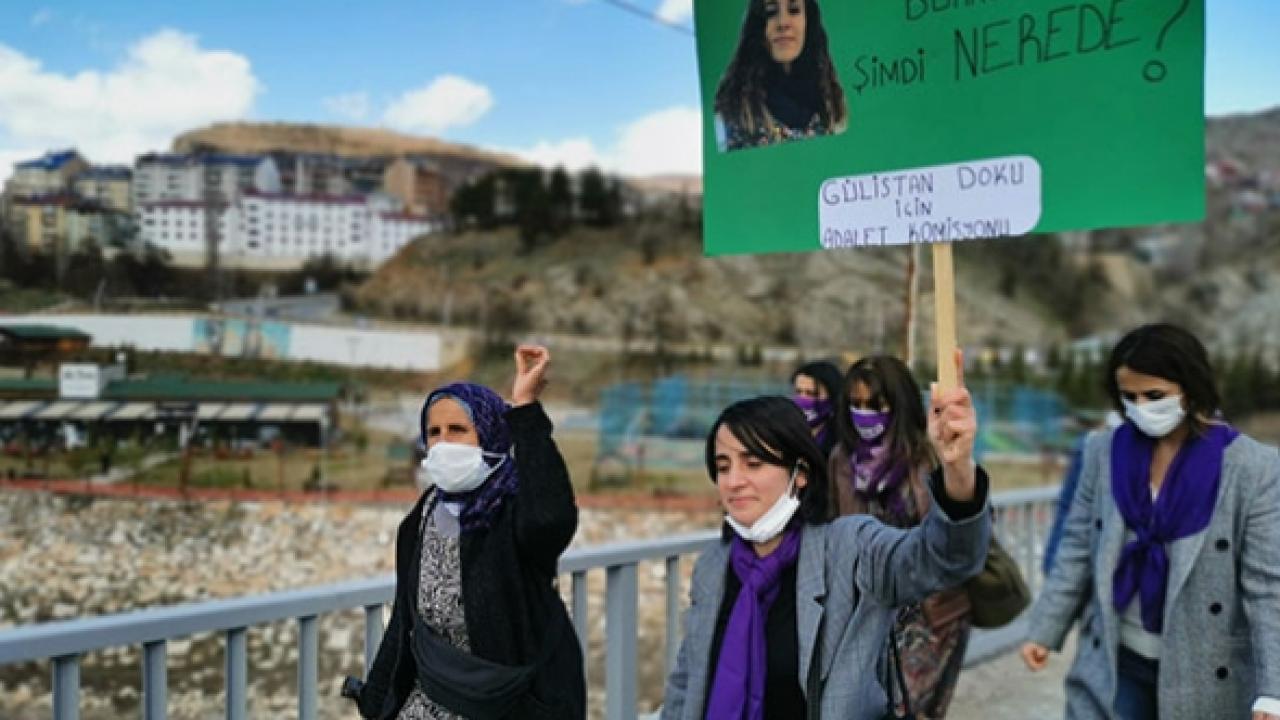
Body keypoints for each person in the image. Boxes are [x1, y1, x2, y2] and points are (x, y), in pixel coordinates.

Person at [661, 353, 991, 719]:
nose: (734, 481)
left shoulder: (851, 551)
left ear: (799, 472)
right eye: (723, 467)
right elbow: (687, 684)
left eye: (754, 464)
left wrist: (958, 470)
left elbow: (945, 557)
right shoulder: (714, 567)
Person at [1020, 324, 1280, 720]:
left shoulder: (1252, 467)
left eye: (1154, 396)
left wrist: (1272, 691)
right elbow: (1077, 548)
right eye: (1130, 397)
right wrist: (1045, 628)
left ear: (1189, 388)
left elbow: (1267, 587)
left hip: (1205, 669)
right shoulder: (1103, 452)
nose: (1141, 407)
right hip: (1118, 657)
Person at [345, 345, 585, 720]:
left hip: (511, 705)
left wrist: (525, 409)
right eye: (434, 433)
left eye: (457, 430)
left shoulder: (513, 510)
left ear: (490, 435)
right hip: (430, 701)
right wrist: (375, 702)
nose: (443, 444)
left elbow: (549, 520)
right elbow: (406, 621)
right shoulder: (421, 518)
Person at [829, 355, 973, 719]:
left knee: (906, 708)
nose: (865, 415)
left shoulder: (926, 457)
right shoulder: (842, 461)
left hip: (931, 615)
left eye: (875, 405)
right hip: (870, 612)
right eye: (856, 405)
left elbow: (956, 529)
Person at [714, 0, 848, 152]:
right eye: (771, 12)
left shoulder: (830, 105)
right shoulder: (732, 112)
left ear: (808, 21)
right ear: (757, 25)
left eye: (794, 10)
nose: (783, 23)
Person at [791, 360, 842, 459]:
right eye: (798, 392)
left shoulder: (841, 440)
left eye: (812, 393)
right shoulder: (786, 431)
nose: (803, 399)